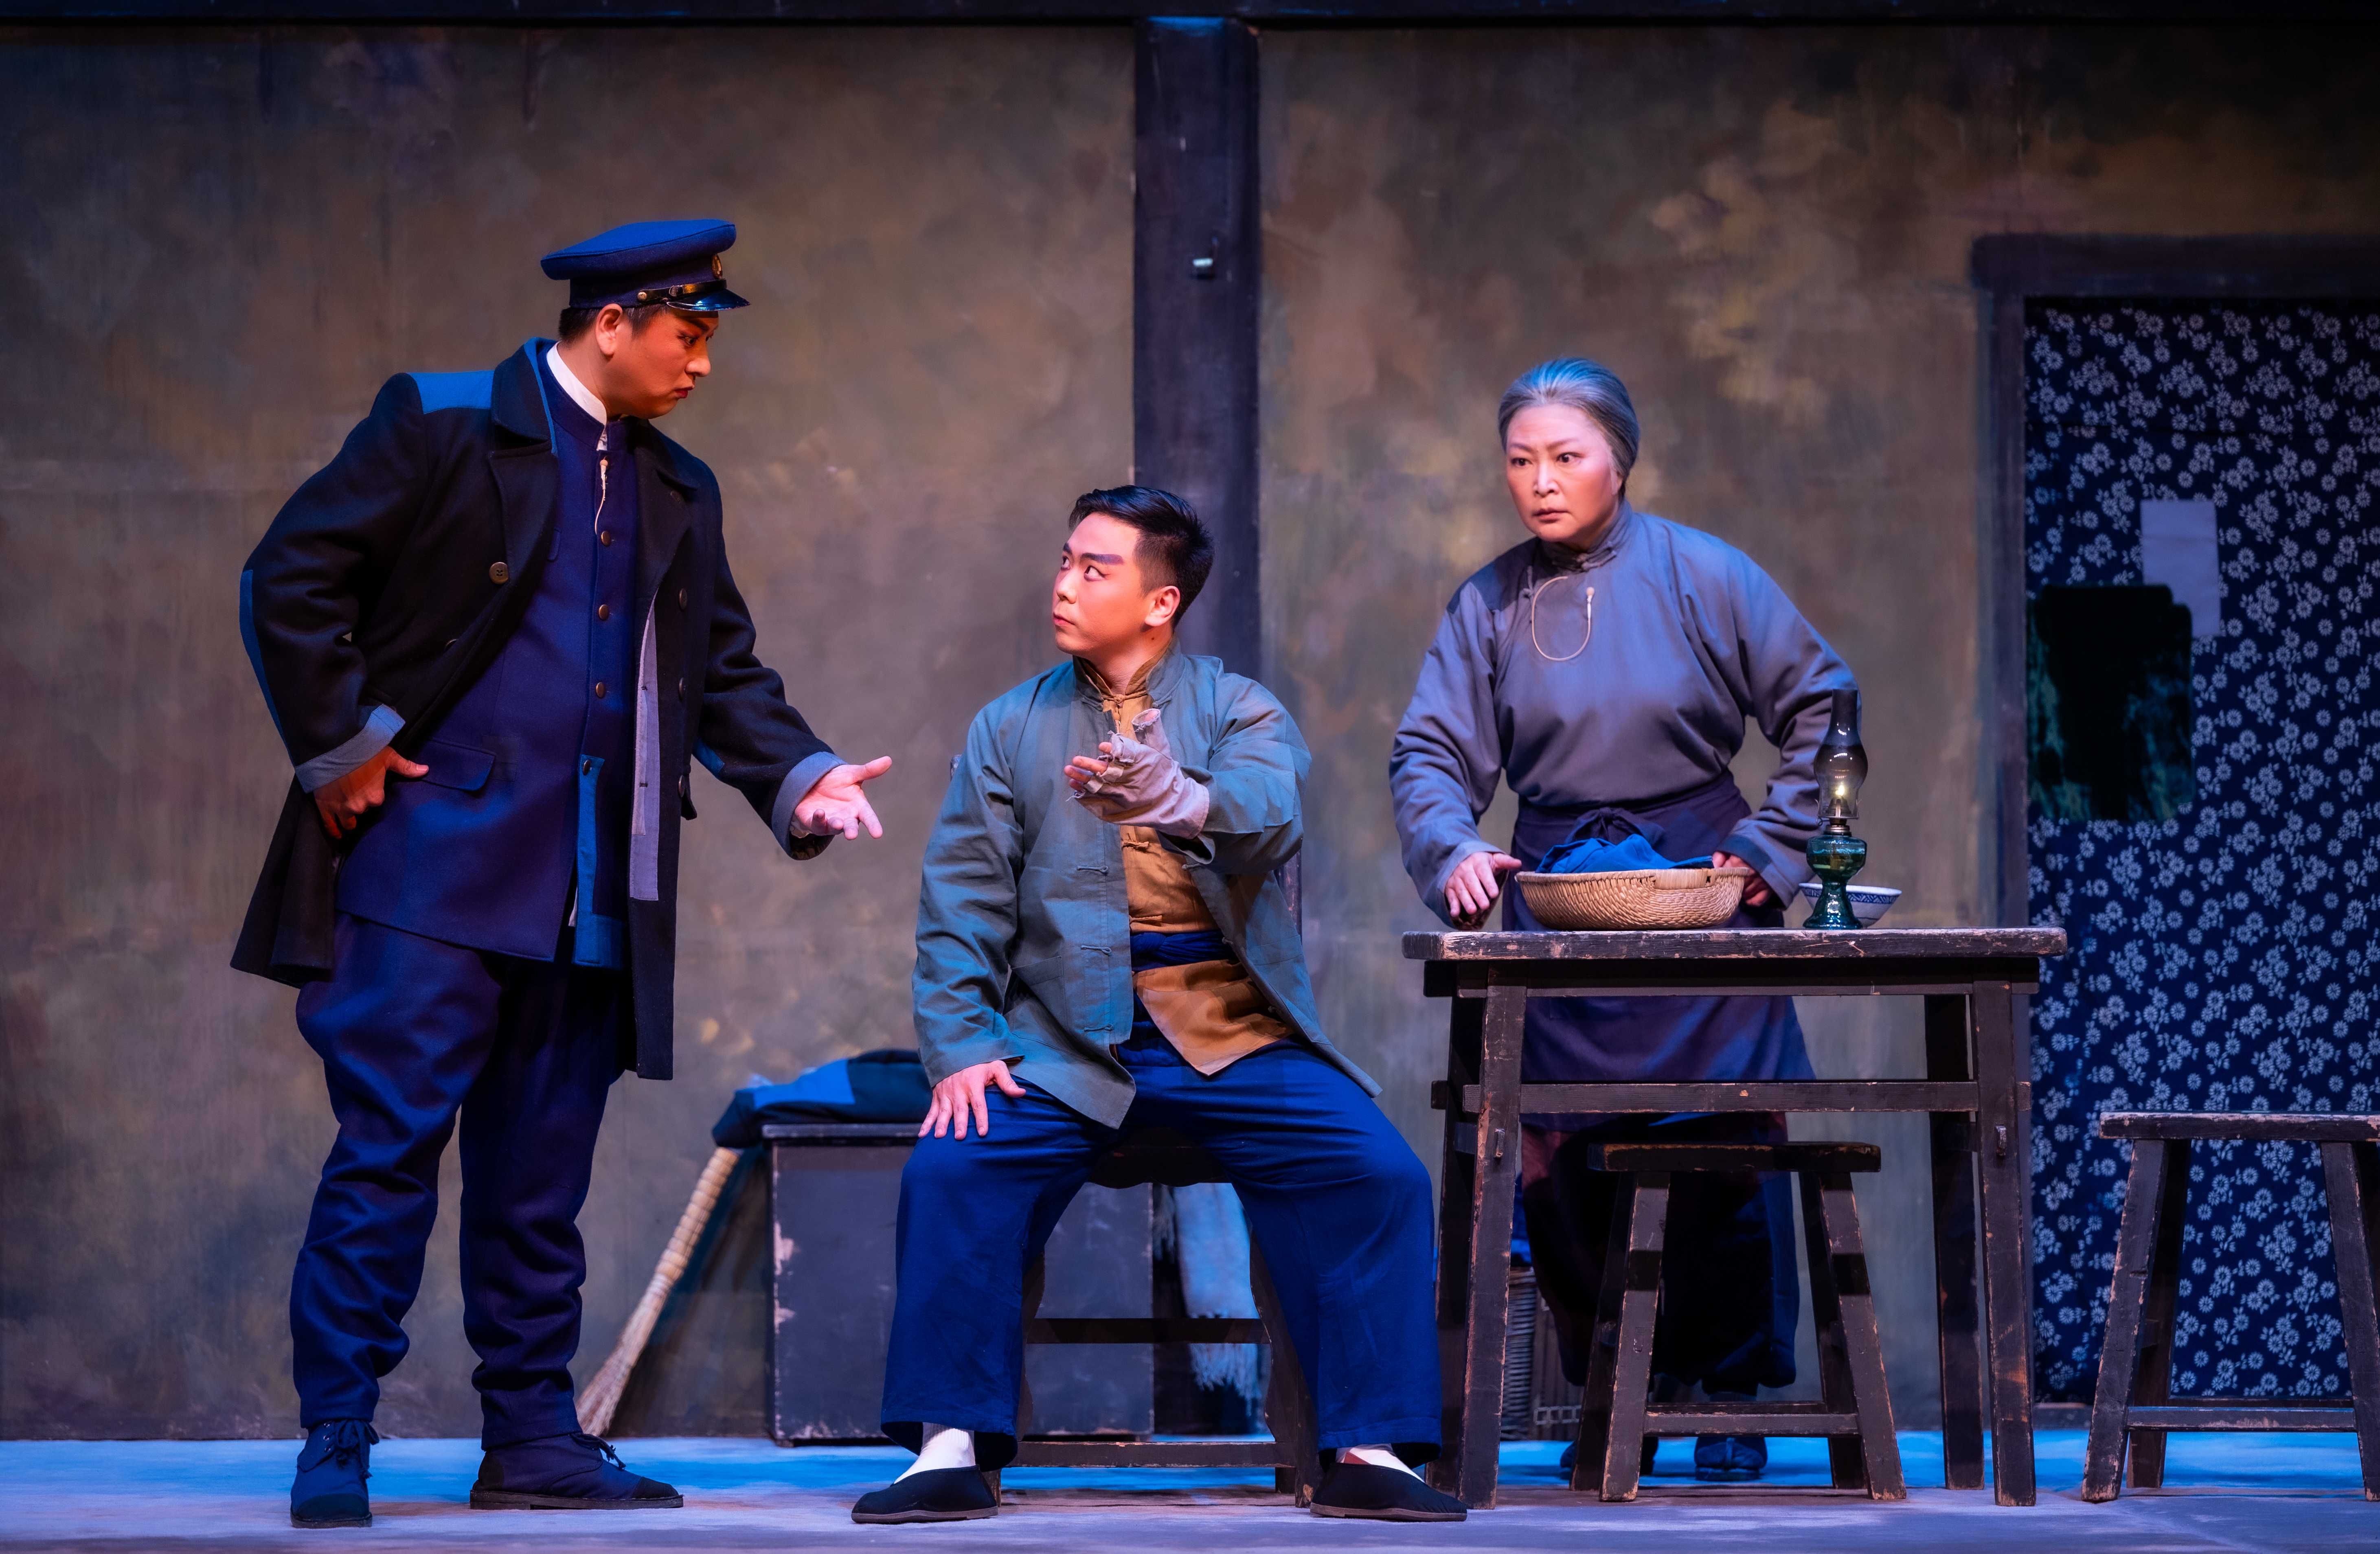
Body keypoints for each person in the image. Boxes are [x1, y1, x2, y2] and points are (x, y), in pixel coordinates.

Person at [234, 220, 892, 1528]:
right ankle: (338, 1430)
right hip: (427, 876)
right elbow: (291, 578)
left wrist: (799, 774)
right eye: (686, 335)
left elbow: (722, 669)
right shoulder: (445, 422)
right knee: (387, 1155)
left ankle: (531, 1437)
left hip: (591, 887)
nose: (701, 363)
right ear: (611, 324)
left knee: (539, 1184)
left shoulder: (675, 486)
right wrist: (342, 747)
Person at [851, 486, 1465, 1525]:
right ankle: (948, 1442)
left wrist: (1177, 798)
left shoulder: (1237, 708)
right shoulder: (1010, 726)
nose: (1064, 582)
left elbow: (1271, 813)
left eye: (1095, 568)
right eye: (1065, 560)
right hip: (1061, 1043)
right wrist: (962, 1048)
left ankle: (1367, 1447)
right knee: (954, 1166)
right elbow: (960, 905)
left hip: (1230, 1031)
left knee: (1376, 1173)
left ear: (1160, 600)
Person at [1389, 357, 1858, 1481]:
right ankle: (1617, 1384)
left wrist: (1769, 849)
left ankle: (1731, 1390)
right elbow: (1429, 753)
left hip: (1702, 886)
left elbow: (1822, 704)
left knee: (1725, 1144)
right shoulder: (1488, 602)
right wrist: (1455, 848)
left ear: (1620, 460)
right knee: (1563, 1160)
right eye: (1519, 460)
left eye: (1566, 456)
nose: (1540, 482)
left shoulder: (1704, 573)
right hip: (1557, 897)